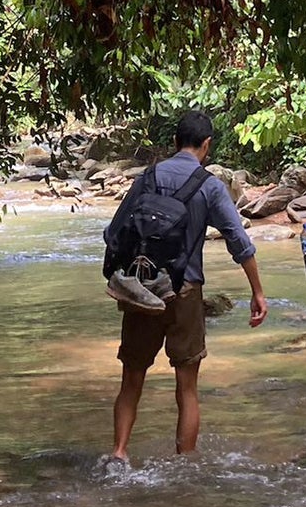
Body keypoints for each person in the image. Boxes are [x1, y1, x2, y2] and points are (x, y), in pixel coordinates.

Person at [104, 110, 268, 461]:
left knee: (132, 379)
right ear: (206, 145)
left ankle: (118, 452)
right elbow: (238, 241)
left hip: (143, 288)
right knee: (187, 386)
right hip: (185, 290)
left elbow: (112, 233)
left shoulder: (147, 178)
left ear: (175, 141)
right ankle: (184, 463)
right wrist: (257, 291)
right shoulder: (209, 186)